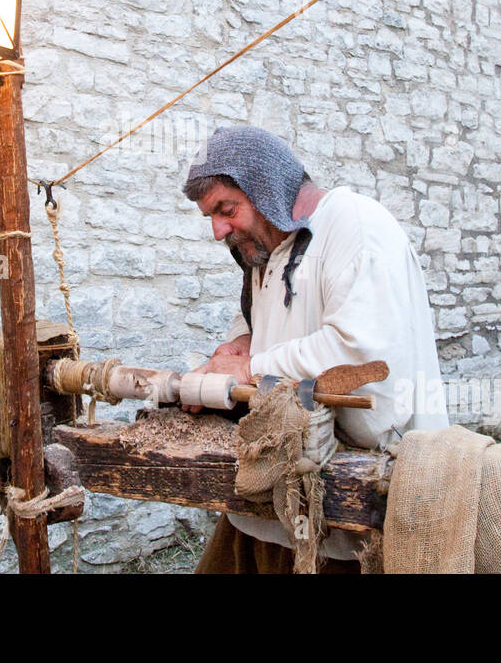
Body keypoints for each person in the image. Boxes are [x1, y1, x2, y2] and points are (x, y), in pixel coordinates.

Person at [181, 125, 448, 573]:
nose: (217, 229)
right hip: (274, 497)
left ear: (267, 187)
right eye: (210, 215)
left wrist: (249, 369)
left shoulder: (354, 225)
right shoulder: (269, 245)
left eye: (227, 209)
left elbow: (358, 353)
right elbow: (262, 315)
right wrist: (238, 344)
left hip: (355, 507)